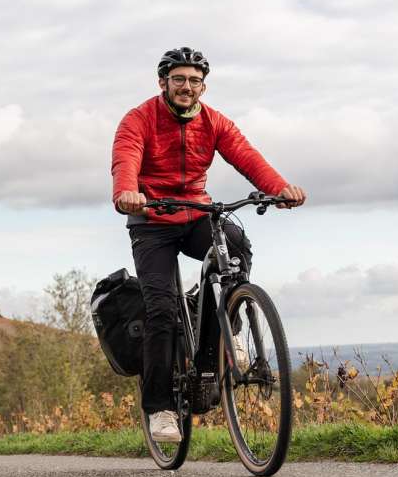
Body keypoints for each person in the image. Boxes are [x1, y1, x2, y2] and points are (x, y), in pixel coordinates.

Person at [111, 47, 306, 443]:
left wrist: (278, 189)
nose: (187, 87)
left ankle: (221, 330)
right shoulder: (139, 119)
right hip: (152, 221)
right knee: (161, 310)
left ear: (204, 86)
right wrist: (127, 192)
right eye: (179, 79)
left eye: (194, 81)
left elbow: (247, 157)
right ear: (163, 82)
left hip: (197, 214)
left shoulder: (214, 122)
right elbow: (125, 159)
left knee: (235, 246)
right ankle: (161, 408)